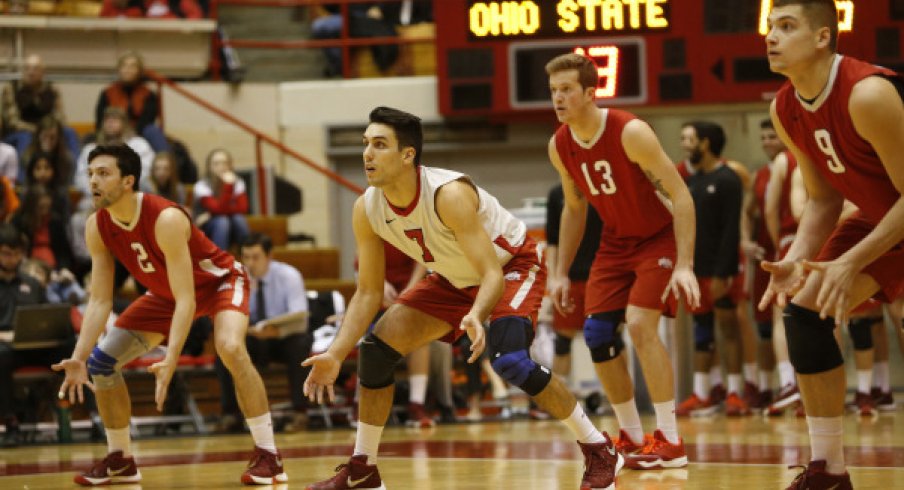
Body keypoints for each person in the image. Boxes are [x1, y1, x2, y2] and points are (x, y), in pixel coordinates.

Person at [303, 106, 621, 490]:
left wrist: (476, 314)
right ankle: (363, 470)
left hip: (512, 266)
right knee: (375, 349)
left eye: (380, 144)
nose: (367, 153)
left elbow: (491, 273)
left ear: (408, 155)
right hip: (455, 278)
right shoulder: (366, 207)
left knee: (511, 361)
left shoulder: (448, 194)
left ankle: (599, 448)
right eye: (366, 144)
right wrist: (336, 353)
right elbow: (369, 291)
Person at [52, 144, 286, 486]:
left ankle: (269, 455)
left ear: (128, 181)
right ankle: (121, 460)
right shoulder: (96, 226)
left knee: (231, 348)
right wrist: (78, 357)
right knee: (102, 363)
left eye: (103, 173)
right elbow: (100, 300)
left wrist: (171, 358)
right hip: (166, 294)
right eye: (90, 174)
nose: (93, 182)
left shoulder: (166, 218)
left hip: (218, 282)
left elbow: (187, 299)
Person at [760, 1, 904, 488]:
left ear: (823, 37)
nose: (771, 37)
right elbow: (822, 200)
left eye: (786, 26)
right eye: (770, 27)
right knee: (804, 315)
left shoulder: (867, 95)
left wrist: (850, 262)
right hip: (882, 217)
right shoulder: (784, 107)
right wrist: (797, 261)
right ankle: (829, 471)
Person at [545, 53, 700, 471]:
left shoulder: (631, 132)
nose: (558, 99)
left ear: (590, 93)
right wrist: (560, 273)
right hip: (615, 244)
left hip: (657, 238)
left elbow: (681, 196)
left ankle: (670, 438)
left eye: (566, 90)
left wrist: (684, 263)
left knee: (639, 323)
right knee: (596, 334)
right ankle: (631, 436)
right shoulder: (560, 145)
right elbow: (574, 208)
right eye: (553, 91)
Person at [674, 121, 748, 417]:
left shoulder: (729, 179)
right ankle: (703, 393)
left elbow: (732, 230)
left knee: (729, 328)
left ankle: (734, 393)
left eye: (690, 139)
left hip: (722, 270)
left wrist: (723, 273)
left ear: (705, 143)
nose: (685, 145)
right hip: (696, 268)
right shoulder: (691, 182)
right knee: (701, 330)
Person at [215, 232, 311, 433]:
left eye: (256, 257)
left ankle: (300, 412)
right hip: (249, 338)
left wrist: (275, 332)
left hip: (280, 338)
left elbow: (300, 318)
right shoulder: (236, 278)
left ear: (270, 256)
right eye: (246, 257)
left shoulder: (289, 275)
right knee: (224, 348)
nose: (250, 263)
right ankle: (230, 414)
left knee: (301, 342)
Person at [0, 224, 68, 447]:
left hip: (34, 345)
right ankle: (10, 423)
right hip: (6, 348)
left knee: (73, 348)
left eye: (17, 253)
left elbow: (46, 315)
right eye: (7, 253)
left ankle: (96, 418)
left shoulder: (32, 283)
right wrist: (4, 336)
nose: (13, 259)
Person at [762, 121, 808, 416]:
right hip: (824, 239)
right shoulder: (821, 154)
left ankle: (789, 383)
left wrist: (780, 240)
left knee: (782, 315)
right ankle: (820, 383)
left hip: (792, 240)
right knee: (824, 314)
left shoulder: (784, 160)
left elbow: (770, 208)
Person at [544, 183, 602, 383]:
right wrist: (553, 277)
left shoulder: (600, 189)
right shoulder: (557, 194)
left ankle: (621, 402)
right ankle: (561, 401)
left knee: (609, 339)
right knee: (562, 342)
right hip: (569, 278)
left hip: (601, 276)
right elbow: (552, 242)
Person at [1, 55, 80, 160]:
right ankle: (24, 175)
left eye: (35, 69)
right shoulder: (11, 89)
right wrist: (38, 130)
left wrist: (53, 129)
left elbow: (60, 117)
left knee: (69, 133)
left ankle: (76, 172)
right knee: (26, 138)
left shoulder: (52, 89)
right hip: (19, 133)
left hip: (47, 129)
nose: (31, 73)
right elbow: (13, 122)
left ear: (42, 72)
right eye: (27, 68)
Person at [94, 52, 168, 152]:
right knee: (89, 138)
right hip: (112, 133)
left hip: (139, 133)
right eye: (124, 66)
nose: (128, 70)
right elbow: (101, 120)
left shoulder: (149, 94)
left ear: (139, 71)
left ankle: (167, 161)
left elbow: (147, 121)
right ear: (119, 69)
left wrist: (130, 135)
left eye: (133, 66)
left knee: (153, 131)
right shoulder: (107, 93)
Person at [193, 148, 250, 251]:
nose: (221, 167)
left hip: (230, 224)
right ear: (209, 167)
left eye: (225, 163)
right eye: (216, 164)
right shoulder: (201, 185)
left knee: (238, 218)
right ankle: (219, 262)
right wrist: (228, 186)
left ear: (230, 165)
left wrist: (211, 214)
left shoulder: (238, 182)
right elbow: (217, 209)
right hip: (208, 228)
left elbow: (243, 208)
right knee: (222, 221)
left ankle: (248, 254)